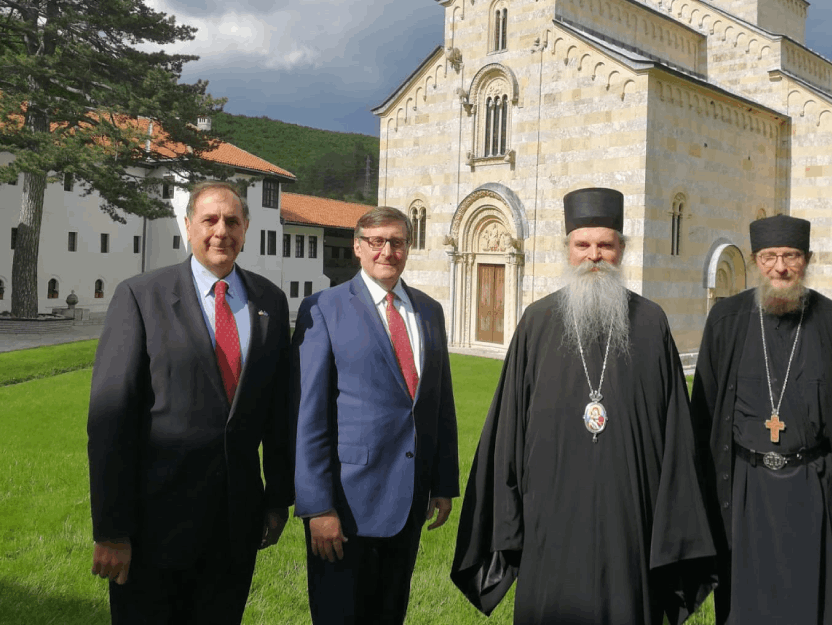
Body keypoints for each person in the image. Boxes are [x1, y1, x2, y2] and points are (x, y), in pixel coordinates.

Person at [451, 188, 716, 625]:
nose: (595, 255)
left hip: (630, 521)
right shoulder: (536, 323)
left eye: (605, 245)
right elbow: (507, 432)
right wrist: (509, 523)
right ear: (568, 249)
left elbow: (676, 438)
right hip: (550, 522)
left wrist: (674, 536)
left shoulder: (651, 325)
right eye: (583, 245)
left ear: (622, 249)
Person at [87, 180, 293, 624]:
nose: (222, 231)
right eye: (210, 220)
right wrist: (111, 530)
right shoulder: (141, 297)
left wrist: (277, 499)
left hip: (235, 524)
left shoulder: (270, 302)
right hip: (152, 524)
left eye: (233, 221)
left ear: (247, 228)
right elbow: (110, 421)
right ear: (187, 226)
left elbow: (280, 413)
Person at [690, 214, 832, 625]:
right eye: (770, 256)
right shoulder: (726, 321)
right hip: (745, 488)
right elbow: (701, 419)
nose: (780, 267)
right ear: (756, 259)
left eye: (791, 256)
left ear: (806, 260)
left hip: (812, 487)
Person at [292, 206, 459, 625]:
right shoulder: (324, 308)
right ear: (358, 247)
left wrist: (442, 482)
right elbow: (308, 415)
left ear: (408, 248)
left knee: (389, 614)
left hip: (408, 500)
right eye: (377, 241)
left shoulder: (429, 311)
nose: (387, 250)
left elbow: (439, 403)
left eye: (397, 242)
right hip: (346, 508)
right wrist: (317, 508)